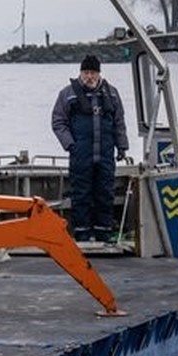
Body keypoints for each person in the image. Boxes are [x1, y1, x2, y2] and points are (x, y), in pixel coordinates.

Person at [51, 54, 129, 242]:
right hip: (80, 154)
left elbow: (119, 122)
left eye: (93, 72)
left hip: (105, 154)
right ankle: (82, 234)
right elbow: (58, 121)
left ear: (99, 73)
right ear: (80, 73)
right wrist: (70, 144)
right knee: (81, 194)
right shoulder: (67, 93)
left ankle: (104, 233)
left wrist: (122, 146)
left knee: (105, 193)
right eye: (86, 72)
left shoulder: (112, 93)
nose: (89, 77)